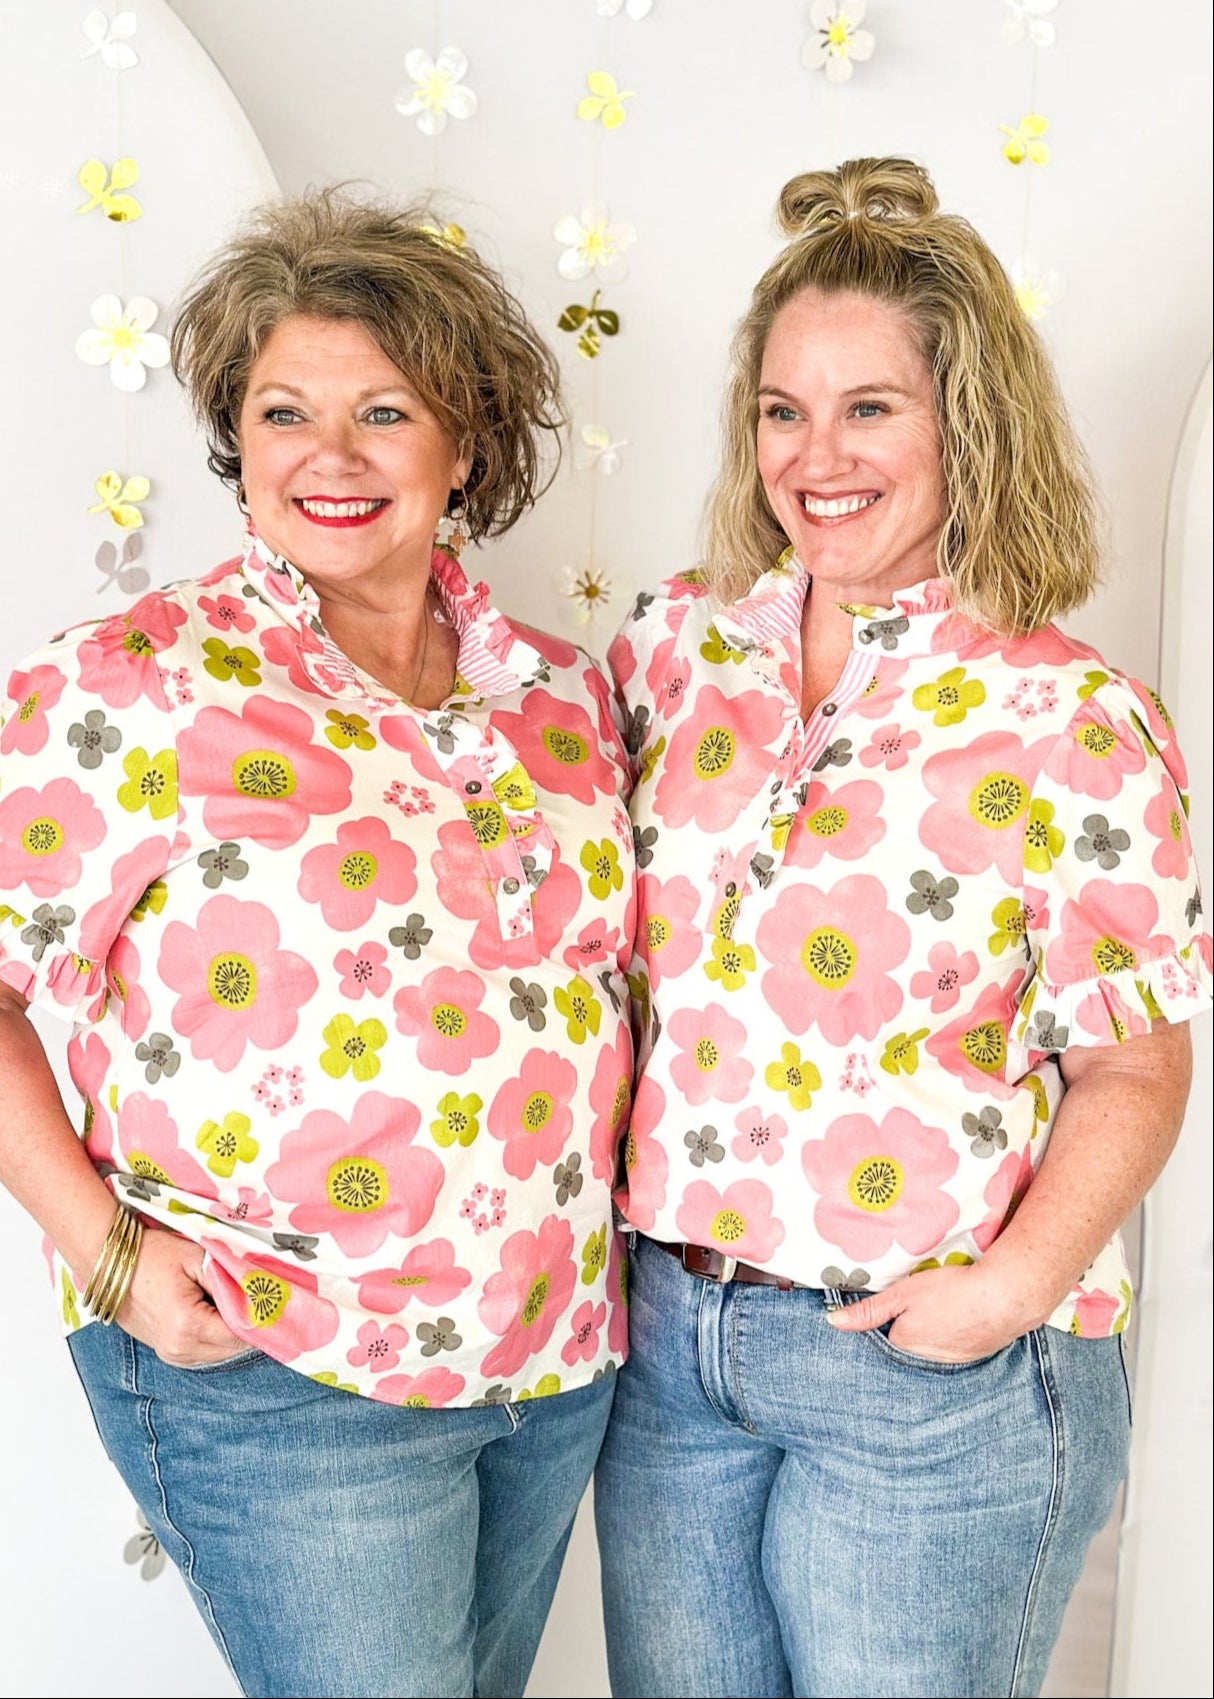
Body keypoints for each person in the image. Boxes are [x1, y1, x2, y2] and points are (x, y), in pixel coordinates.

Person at [0, 190, 634, 1699]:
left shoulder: (558, 695)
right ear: (237, 438)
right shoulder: (133, 684)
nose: (328, 456)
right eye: (283, 411)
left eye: (383, 412)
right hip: (282, 1369)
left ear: (464, 446)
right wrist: (109, 1262)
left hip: (548, 1361)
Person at [597, 155, 1211, 1699]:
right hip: (669, 1347)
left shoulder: (1072, 717)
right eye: (782, 410)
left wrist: (1005, 1293)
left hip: (927, 1373)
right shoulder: (675, 652)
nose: (818, 456)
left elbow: (1132, 1071)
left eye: (870, 407)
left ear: (966, 424)